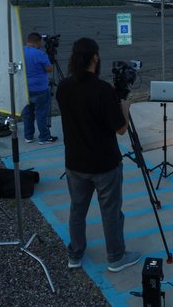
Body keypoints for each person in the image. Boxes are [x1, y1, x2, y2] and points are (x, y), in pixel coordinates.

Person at [55, 37, 141, 272]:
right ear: (95, 57)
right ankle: (115, 257)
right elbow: (121, 128)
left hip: (75, 162)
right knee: (111, 212)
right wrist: (124, 104)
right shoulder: (102, 90)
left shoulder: (63, 86)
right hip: (104, 164)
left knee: (77, 210)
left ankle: (75, 254)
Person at [22, 32, 58, 144]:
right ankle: (44, 137)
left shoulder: (19, 51)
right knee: (41, 114)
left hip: (25, 88)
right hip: (40, 89)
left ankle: (28, 136)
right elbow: (49, 69)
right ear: (37, 42)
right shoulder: (40, 54)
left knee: (27, 114)